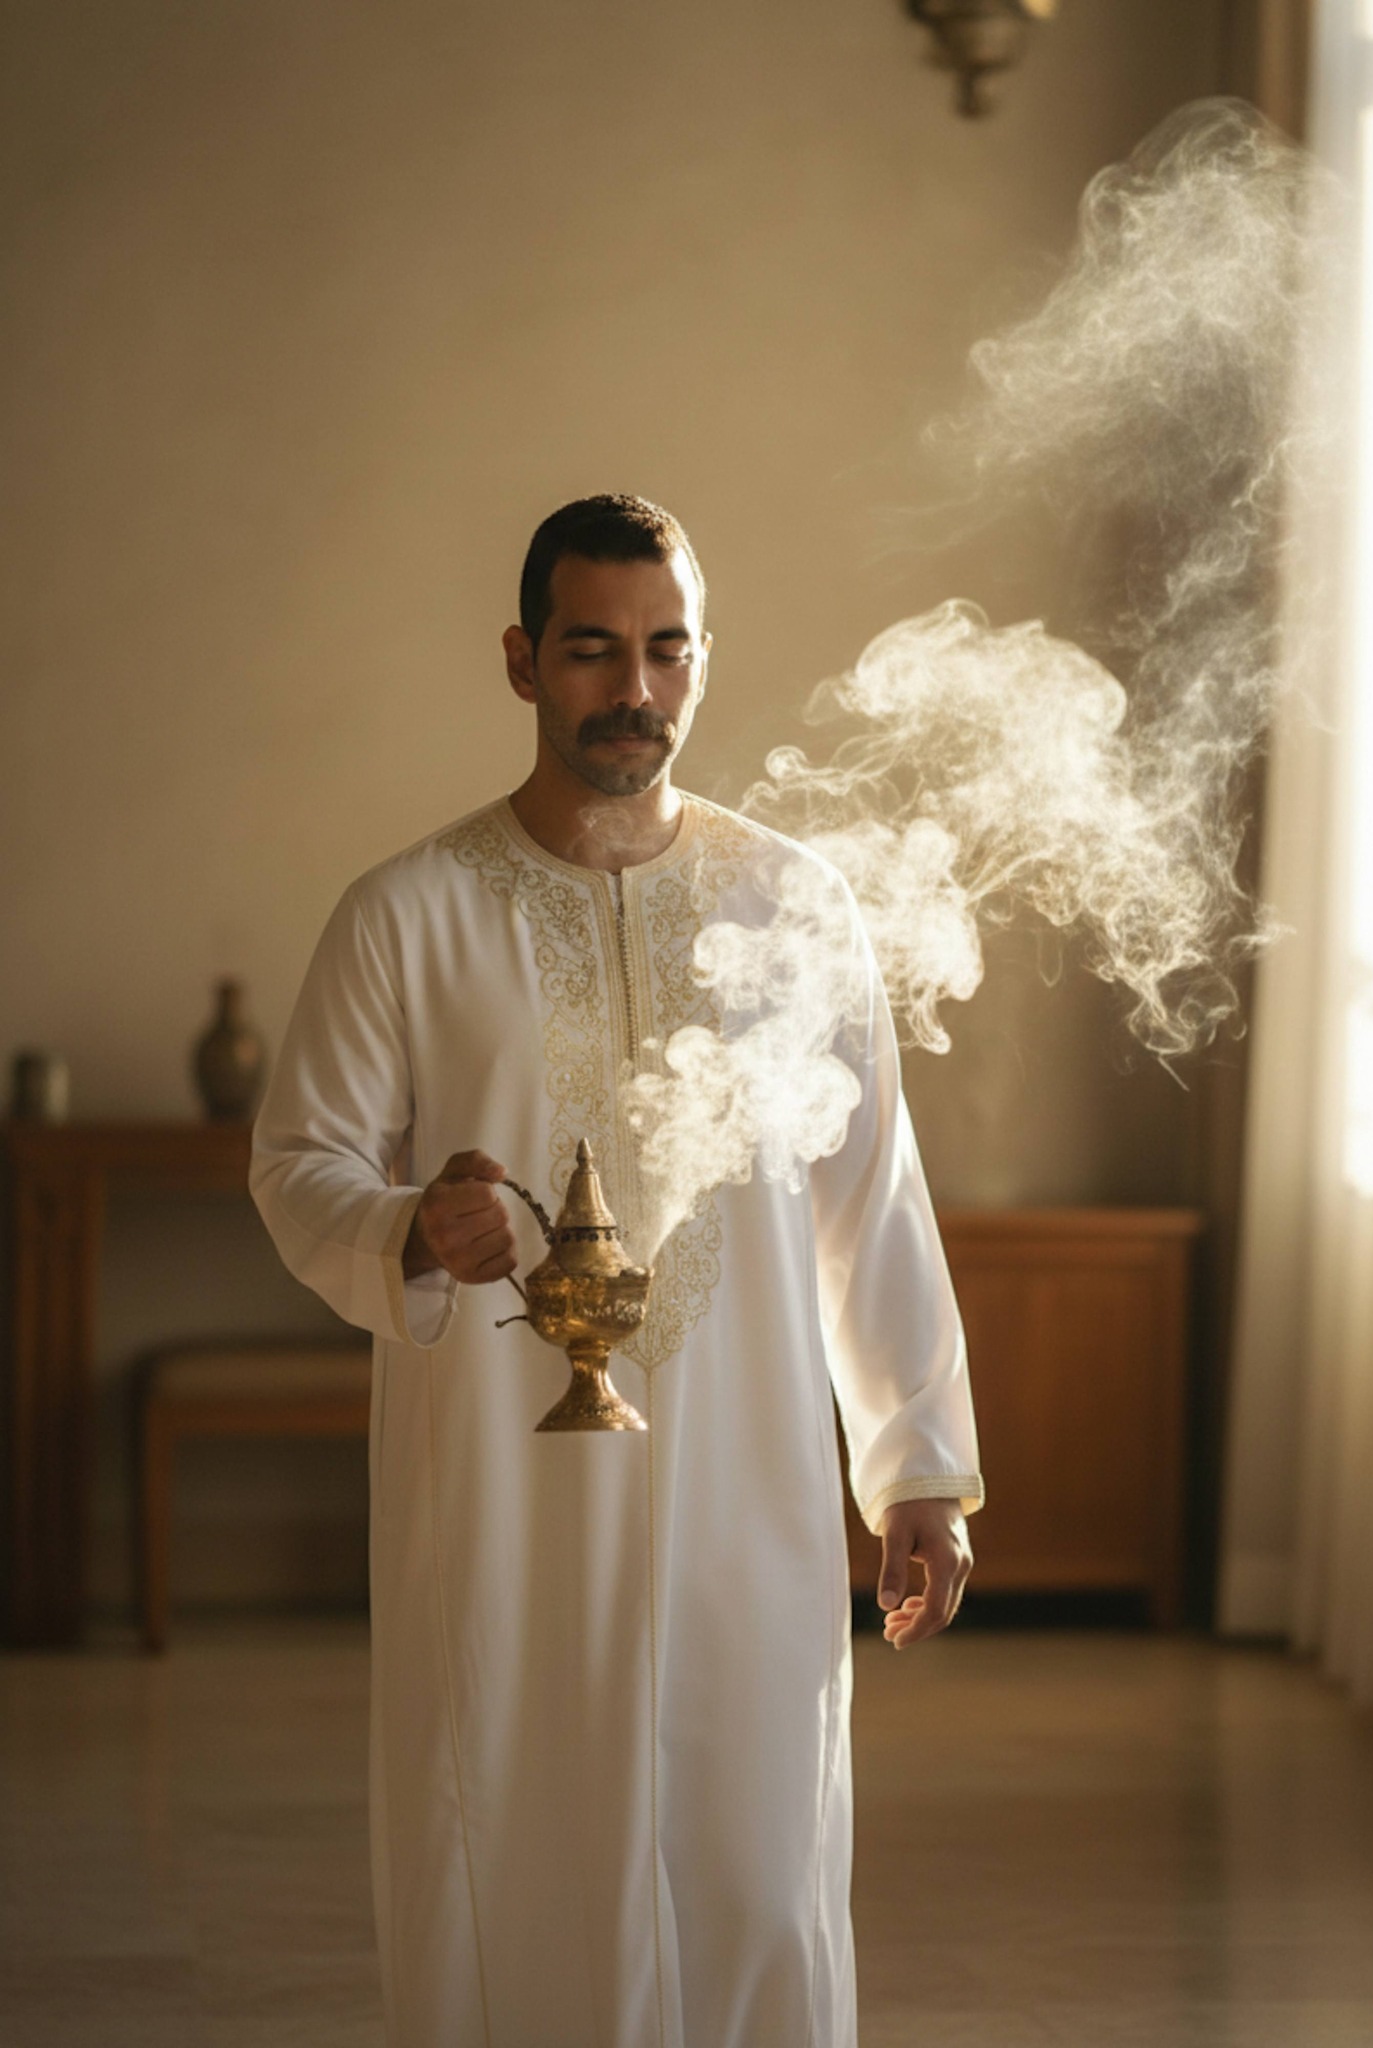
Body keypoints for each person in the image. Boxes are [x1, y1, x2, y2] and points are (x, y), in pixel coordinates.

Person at [249, 493, 984, 2048]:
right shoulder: (408, 915)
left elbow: (872, 1203)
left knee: (759, 1863)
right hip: (504, 1515)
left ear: (703, 662)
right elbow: (297, 1163)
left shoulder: (799, 909)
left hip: (751, 1495)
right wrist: (405, 1227)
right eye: (594, 650)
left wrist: (918, 1467)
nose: (633, 689)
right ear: (523, 662)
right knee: (510, 1855)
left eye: (665, 650)